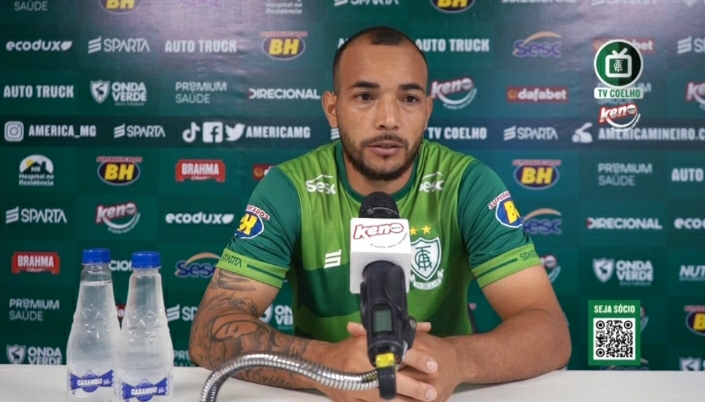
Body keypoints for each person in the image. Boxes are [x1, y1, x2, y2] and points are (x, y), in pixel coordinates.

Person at [189, 26, 571, 402]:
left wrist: (456, 360)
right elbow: (209, 331)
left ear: (427, 111)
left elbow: (551, 332)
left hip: (436, 394)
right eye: (365, 96)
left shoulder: (467, 185)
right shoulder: (289, 189)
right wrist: (325, 364)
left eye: (409, 99)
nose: (388, 119)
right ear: (332, 109)